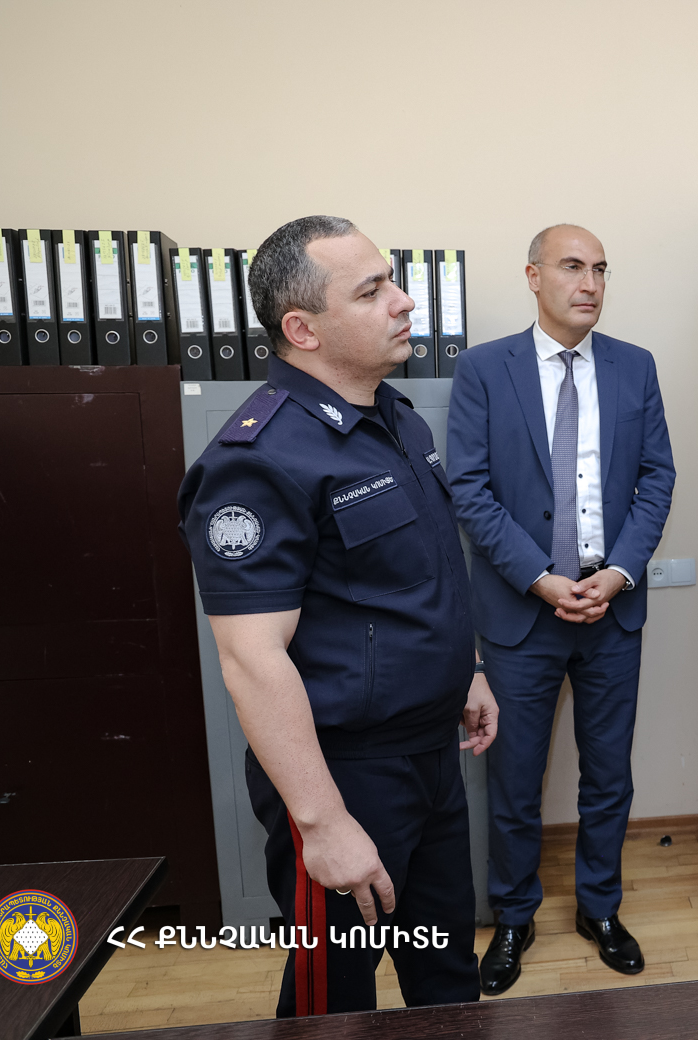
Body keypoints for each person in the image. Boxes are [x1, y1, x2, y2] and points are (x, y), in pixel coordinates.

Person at [177, 215, 497, 1016]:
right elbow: (252, 659)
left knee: (448, 976)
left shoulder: (398, 418)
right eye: (372, 290)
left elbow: (417, 576)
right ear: (303, 330)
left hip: (432, 757)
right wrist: (322, 824)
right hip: (344, 774)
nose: (404, 300)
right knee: (335, 999)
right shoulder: (257, 459)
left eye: (393, 280)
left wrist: (467, 670)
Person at [446, 224, 676, 995]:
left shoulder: (635, 366)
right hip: (521, 615)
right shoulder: (484, 369)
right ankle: (514, 917)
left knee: (609, 776)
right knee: (515, 781)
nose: (590, 283)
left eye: (601, 269)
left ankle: (599, 909)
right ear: (533, 276)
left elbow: (657, 478)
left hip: (611, 612)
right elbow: (469, 491)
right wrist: (541, 580)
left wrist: (620, 573)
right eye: (573, 267)